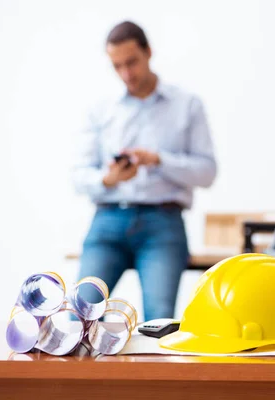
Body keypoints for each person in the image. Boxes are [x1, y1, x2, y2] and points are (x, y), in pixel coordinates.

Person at [72, 21, 217, 321]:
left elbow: (207, 172)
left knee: (159, 321)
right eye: (117, 66)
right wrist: (108, 178)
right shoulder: (101, 109)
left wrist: (159, 160)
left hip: (163, 223)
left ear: (148, 52)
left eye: (132, 62)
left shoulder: (187, 105)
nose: (127, 74)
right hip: (107, 221)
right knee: (79, 316)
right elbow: (78, 176)